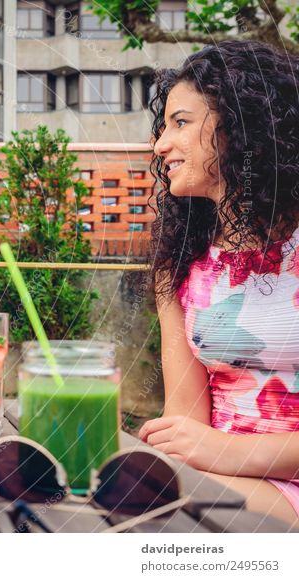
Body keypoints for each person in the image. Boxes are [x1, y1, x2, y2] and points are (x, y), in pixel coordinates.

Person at [138, 40, 299, 527]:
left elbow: (208, 448)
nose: (161, 145)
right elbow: (186, 423)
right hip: (221, 483)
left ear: (242, 126)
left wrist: (226, 453)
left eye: (181, 123)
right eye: (163, 126)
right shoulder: (181, 262)